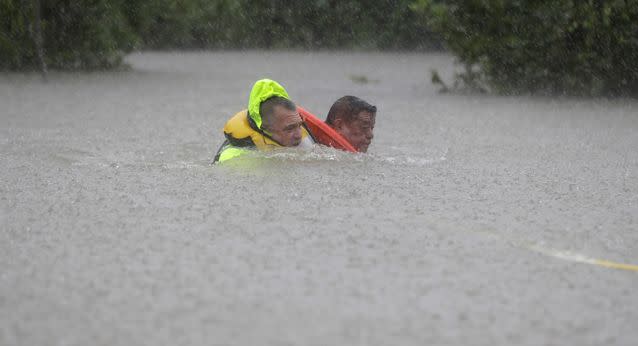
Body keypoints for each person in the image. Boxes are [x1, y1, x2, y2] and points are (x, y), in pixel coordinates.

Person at [213, 79, 314, 163]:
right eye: (289, 129)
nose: (299, 135)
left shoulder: (302, 141)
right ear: (266, 129)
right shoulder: (234, 159)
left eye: (299, 125)